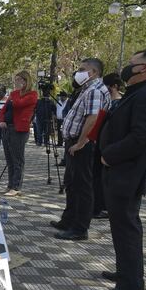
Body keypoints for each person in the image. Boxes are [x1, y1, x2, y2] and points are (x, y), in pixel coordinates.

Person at [97, 49, 146, 290]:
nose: (126, 69)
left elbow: (142, 137)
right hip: (122, 170)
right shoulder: (140, 93)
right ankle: (126, 272)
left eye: (132, 65)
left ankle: (130, 284)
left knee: (126, 227)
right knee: (122, 226)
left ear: (145, 69)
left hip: (127, 172)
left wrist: (110, 155)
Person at [52, 58, 109, 240]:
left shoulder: (94, 90)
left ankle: (79, 228)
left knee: (82, 186)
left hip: (81, 144)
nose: (78, 72)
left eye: (82, 69)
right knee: (71, 183)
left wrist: (81, 142)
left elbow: (92, 118)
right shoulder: (87, 89)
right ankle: (68, 219)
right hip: (75, 142)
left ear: (93, 72)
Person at [0, 71, 38, 196]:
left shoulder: (32, 94)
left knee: (17, 160)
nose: (17, 82)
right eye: (16, 80)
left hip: (19, 129)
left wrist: (15, 93)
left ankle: (16, 187)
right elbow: (4, 109)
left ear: (26, 81)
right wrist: (1, 120)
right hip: (7, 129)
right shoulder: (13, 94)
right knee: (9, 159)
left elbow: (18, 104)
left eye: (20, 79)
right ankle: (10, 185)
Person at [93, 73, 125, 221]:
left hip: (110, 147)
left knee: (105, 179)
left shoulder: (121, 103)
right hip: (99, 143)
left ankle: (104, 207)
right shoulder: (105, 101)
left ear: (114, 87)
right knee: (96, 177)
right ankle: (97, 205)